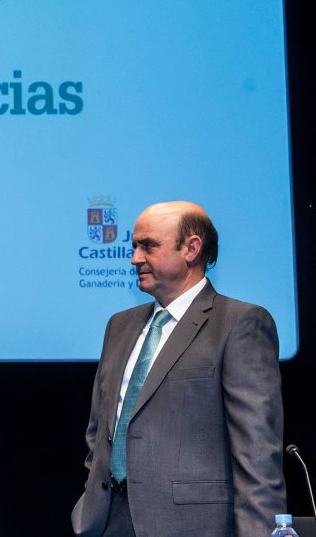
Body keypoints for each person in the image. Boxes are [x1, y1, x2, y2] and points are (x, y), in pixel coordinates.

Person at [72, 201, 285, 536]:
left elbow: (256, 456)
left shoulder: (239, 324)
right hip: (109, 523)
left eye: (148, 246)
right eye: (134, 246)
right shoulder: (120, 326)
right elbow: (99, 432)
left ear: (191, 248)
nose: (135, 258)